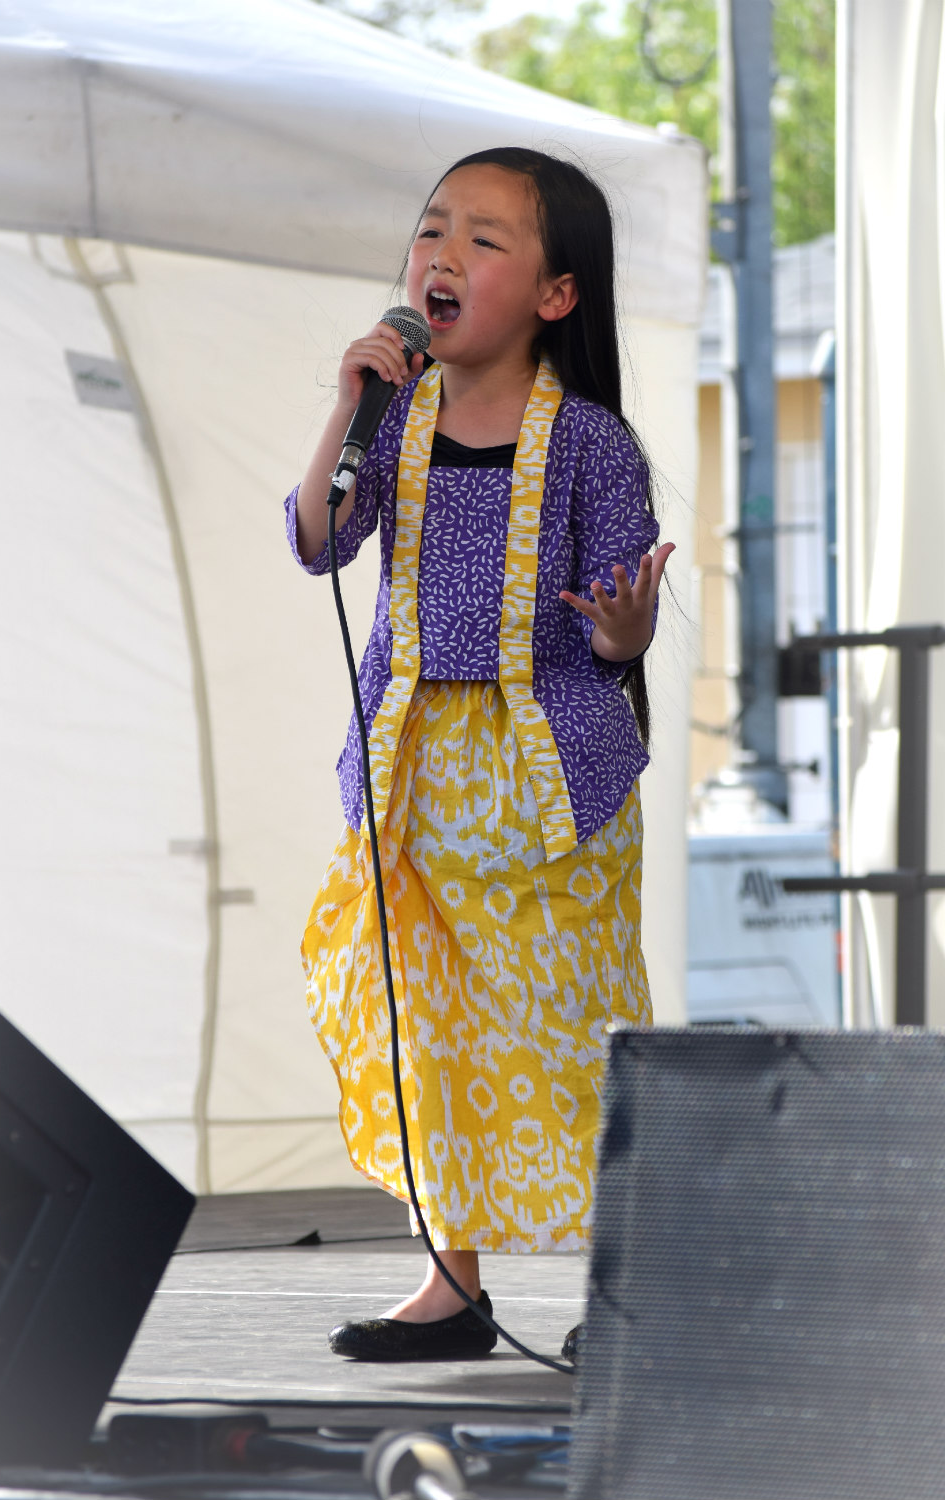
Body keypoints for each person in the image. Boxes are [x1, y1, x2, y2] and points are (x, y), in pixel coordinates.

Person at [285, 146, 674, 1364]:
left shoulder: (592, 442)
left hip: (549, 775)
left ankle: (626, 1287)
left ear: (556, 295)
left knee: (567, 1023)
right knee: (430, 1026)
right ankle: (451, 1285)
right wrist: (347, 402)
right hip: (413, 770)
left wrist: (624, 629)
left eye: (483, 239)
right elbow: (317, 541)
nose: (441, 255)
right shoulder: (392, 418)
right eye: (431, 228)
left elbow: (618, 618)